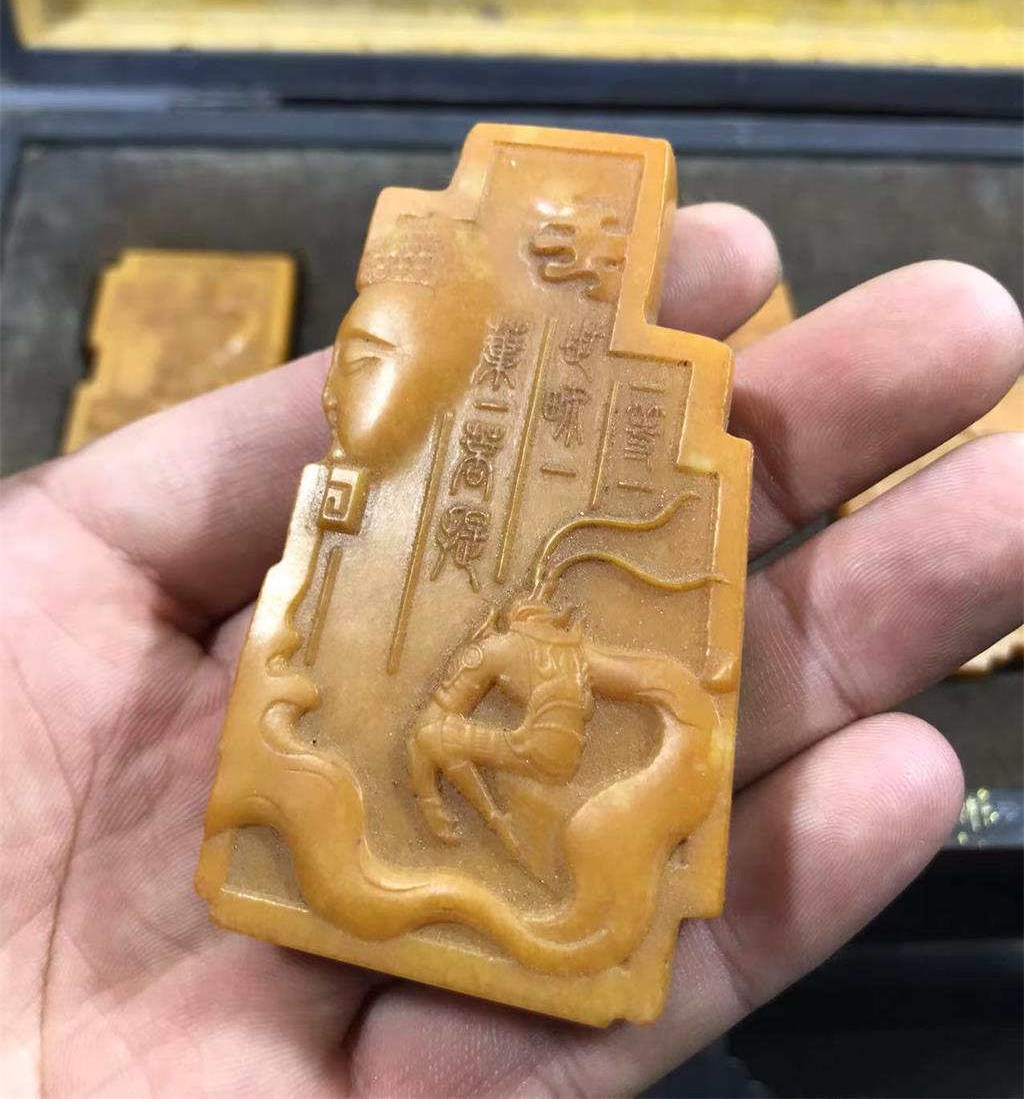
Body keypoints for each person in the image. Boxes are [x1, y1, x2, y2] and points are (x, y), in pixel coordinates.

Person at [2, 202, 1021, 1098]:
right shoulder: (517, 650)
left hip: (537, 766)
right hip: (501, 767)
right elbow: (470, 698)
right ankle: (473, 834)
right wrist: (473, 718)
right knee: (443, 761)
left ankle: (480, 834)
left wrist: (624, 690)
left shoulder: (552, 654)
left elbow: (576, 688)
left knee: (468, 767)